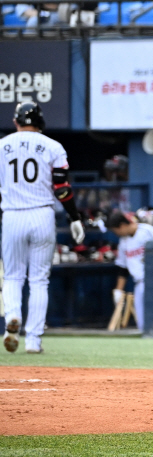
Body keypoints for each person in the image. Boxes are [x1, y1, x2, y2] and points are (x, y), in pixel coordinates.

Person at [2, 101, 84, 354]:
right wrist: (74, 217)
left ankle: (12, 318)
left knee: (13, 275)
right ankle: (34, 341)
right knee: (39, 280)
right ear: (40, 122)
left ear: (16, 122)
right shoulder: (53, 146)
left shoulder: (2, 145)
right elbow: (62, 189)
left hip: (12, 215)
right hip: (42, 215)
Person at [106, 211, 153, 332]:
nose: (116, 234)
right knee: (142, 323)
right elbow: (123, 268)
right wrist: (119, 290)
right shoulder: (123, 242)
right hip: (139, 282)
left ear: (122, 225)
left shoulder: (148, 231)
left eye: (115, 230)